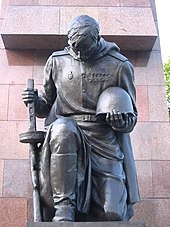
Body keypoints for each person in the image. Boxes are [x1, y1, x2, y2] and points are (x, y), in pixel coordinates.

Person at [22, 15, 140, 222]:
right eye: (74, 47)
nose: (78, 53)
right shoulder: (57, 61)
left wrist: (120, 121)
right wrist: (34, 101)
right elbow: (45, 105)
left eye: (84, 49)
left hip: (103, 137)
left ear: (97, 39)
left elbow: (131, 118)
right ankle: (64, 206)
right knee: (62, 128)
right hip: (67, 133)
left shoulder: (119, 65)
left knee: (112, 214)